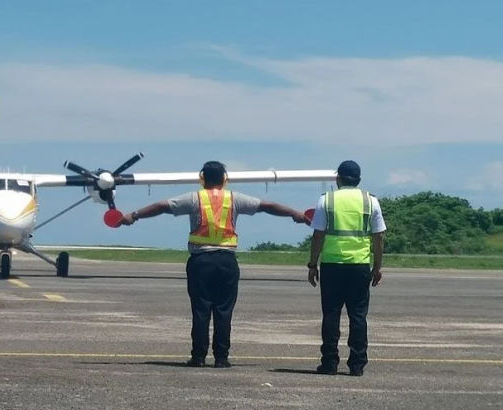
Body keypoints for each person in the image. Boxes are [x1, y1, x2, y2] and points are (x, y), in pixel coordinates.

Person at [118, 161, 309, 368]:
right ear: (225, 178)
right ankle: (221, 357)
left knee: (200, 310)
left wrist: (134, 215)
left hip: (201, 261)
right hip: (227, 261)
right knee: (224, 310)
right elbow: (267, 206)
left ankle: (198, 356)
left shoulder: (194, 198)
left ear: (202, 178)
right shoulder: (234, 198)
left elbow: (162, 206)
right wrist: (295, 214)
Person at [306, 160, 385, 376]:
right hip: (359, 266)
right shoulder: (371, 202)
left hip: (332, 265)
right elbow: (378, 238)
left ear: (337, 179)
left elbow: (318, 235)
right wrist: (377, 267)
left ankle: (329, 362)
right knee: (358, 316)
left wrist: (313, 264)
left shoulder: (327, 200)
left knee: (331, 315)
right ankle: (357, 364)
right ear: (358, 180)